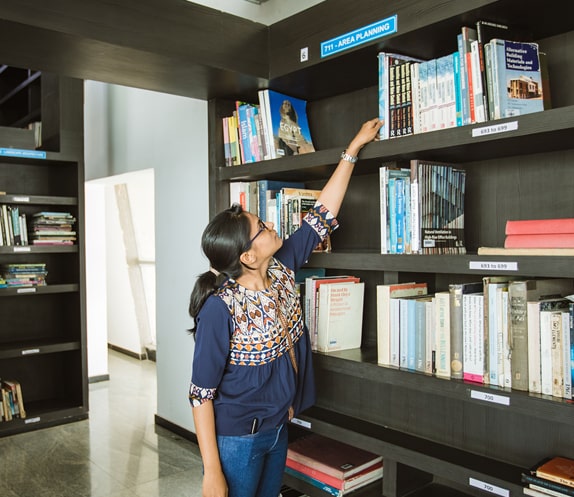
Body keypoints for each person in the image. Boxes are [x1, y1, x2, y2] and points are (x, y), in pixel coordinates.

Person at [188, 117, 383, 497]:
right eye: (261, 227)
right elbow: (201, 393)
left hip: (278, 428)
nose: (271, 225)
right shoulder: (219, 309)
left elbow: (323, 213)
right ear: (247, 255)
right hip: (238, 439)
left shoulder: (280, 269)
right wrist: (212, 471)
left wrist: (353, 148)